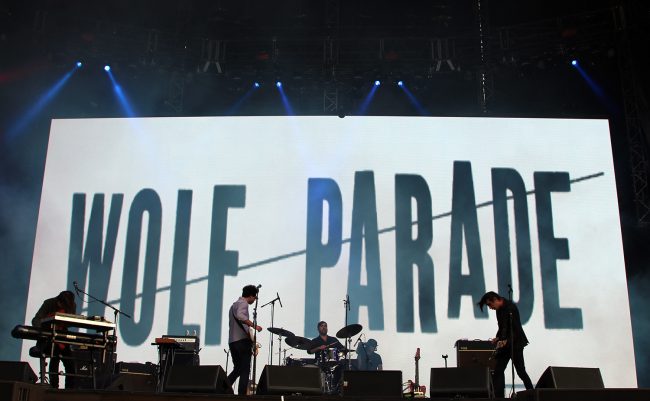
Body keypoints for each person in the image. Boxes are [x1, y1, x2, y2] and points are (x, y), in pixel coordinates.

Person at [477, 291, 534, 397]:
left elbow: (516, 329)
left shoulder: (511, 308)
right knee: (498, 371)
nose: (490, 307)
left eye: (490, 304)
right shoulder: (498, 310)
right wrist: (498, 338)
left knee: (521, 372)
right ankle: (498, 396)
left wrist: (507, 340)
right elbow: (502, 327)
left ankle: (533, 394)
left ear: (495, 299)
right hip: (505, 345)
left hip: (515, 344)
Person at [31, 290, 77, 389]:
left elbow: (71, 322)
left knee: (70, 363)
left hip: (62, 337)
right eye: (62, 305)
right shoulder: (48, 303)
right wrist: (45, 328)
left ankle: (70, 389)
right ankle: (54, 387)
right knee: (55, 356)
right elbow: (36, 320)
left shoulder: (72, 305)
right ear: (58, 301)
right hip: (48, 338)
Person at [227, 285, 263, 395]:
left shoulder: (233, 305)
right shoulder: (243, 303)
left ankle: (223, 387)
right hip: (242, 342)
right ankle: (242, 395)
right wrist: (255, 326)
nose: (254, 300)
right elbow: (240, 316)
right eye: (255, 297)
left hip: (232, 342)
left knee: (238, 368)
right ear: (251, 296)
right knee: (245, 369)